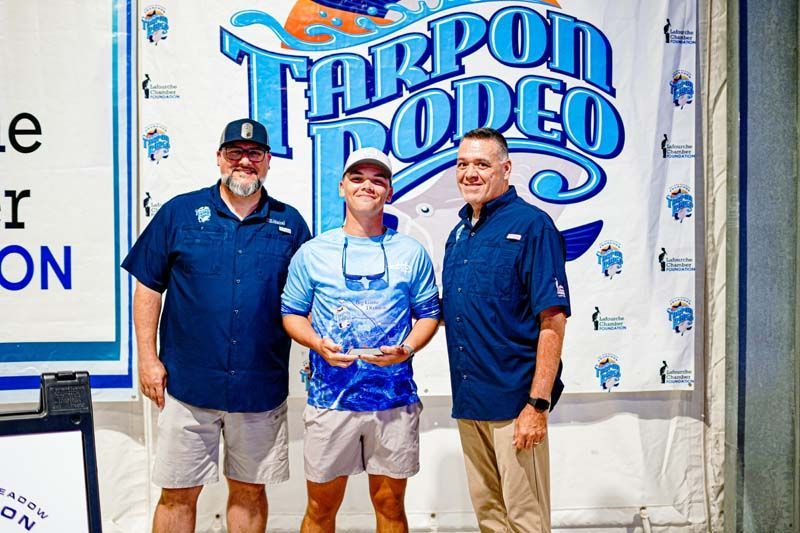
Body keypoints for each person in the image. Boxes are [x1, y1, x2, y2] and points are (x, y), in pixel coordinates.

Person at [122, 118, 311, 533]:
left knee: (249, 491)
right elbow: (148, 289)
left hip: (259, 388)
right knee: (178, 493)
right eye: (235, 153)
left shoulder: (290, 224)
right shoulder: (179, 213)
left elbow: (307, 302)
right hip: (188, 386)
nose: (244, 161)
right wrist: (147, 358)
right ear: (219, 158)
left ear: (267, 162)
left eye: (254, 154)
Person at [281, 147, 440, 533]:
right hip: (331, 402)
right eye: (357, 178)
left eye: (378, 179)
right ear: (341, 187)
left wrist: (408, 349)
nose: (367, 185)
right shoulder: (313, 252)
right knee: (320, 509)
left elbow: (429, 315)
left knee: (390, 507)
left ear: (389, 191)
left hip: (394, 401)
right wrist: (318, 345)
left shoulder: (412, 252)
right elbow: (291, 314)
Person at [442, 127, 571, 532]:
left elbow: (553, 320)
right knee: (490, 519)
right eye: (463, 164)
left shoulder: (533, 226)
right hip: (469, 403)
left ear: (506, 169)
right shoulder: (458, 235)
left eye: (482, 164)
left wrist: (538, 405)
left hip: (516, 408)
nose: (470, 173)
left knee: (525, 522)